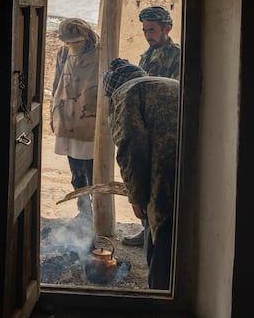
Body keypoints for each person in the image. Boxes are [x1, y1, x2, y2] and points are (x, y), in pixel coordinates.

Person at [102, 58, 179, 290]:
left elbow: (131, 146)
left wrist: (136, 196)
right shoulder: (166, 83)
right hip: (199, 169)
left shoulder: (125, 93)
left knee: (162, 240)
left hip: (165, 174)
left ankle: (160, 298)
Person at [122, 5, 182, 246]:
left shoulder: (176, 55)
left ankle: (157, 236)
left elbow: (175, 91)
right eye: (145, 30)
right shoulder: (147, 54)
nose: (148, 35)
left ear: (167, 28)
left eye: (153, 30)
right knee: (142, 180)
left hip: (164, 130)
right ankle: (146, 229)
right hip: (146, 126)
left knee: (159, 187)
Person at [50, 18, 100, 221]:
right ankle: (84, 212)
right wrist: (52, 115)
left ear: (86, 37)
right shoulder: (63, 53)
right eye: (68, 42)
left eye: (75, 42)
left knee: (92, 173)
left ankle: (97, 214)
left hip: (89, 124)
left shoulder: (101, 55)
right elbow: (56, 84)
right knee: (76, 173)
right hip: (67, 119)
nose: (72, 46)